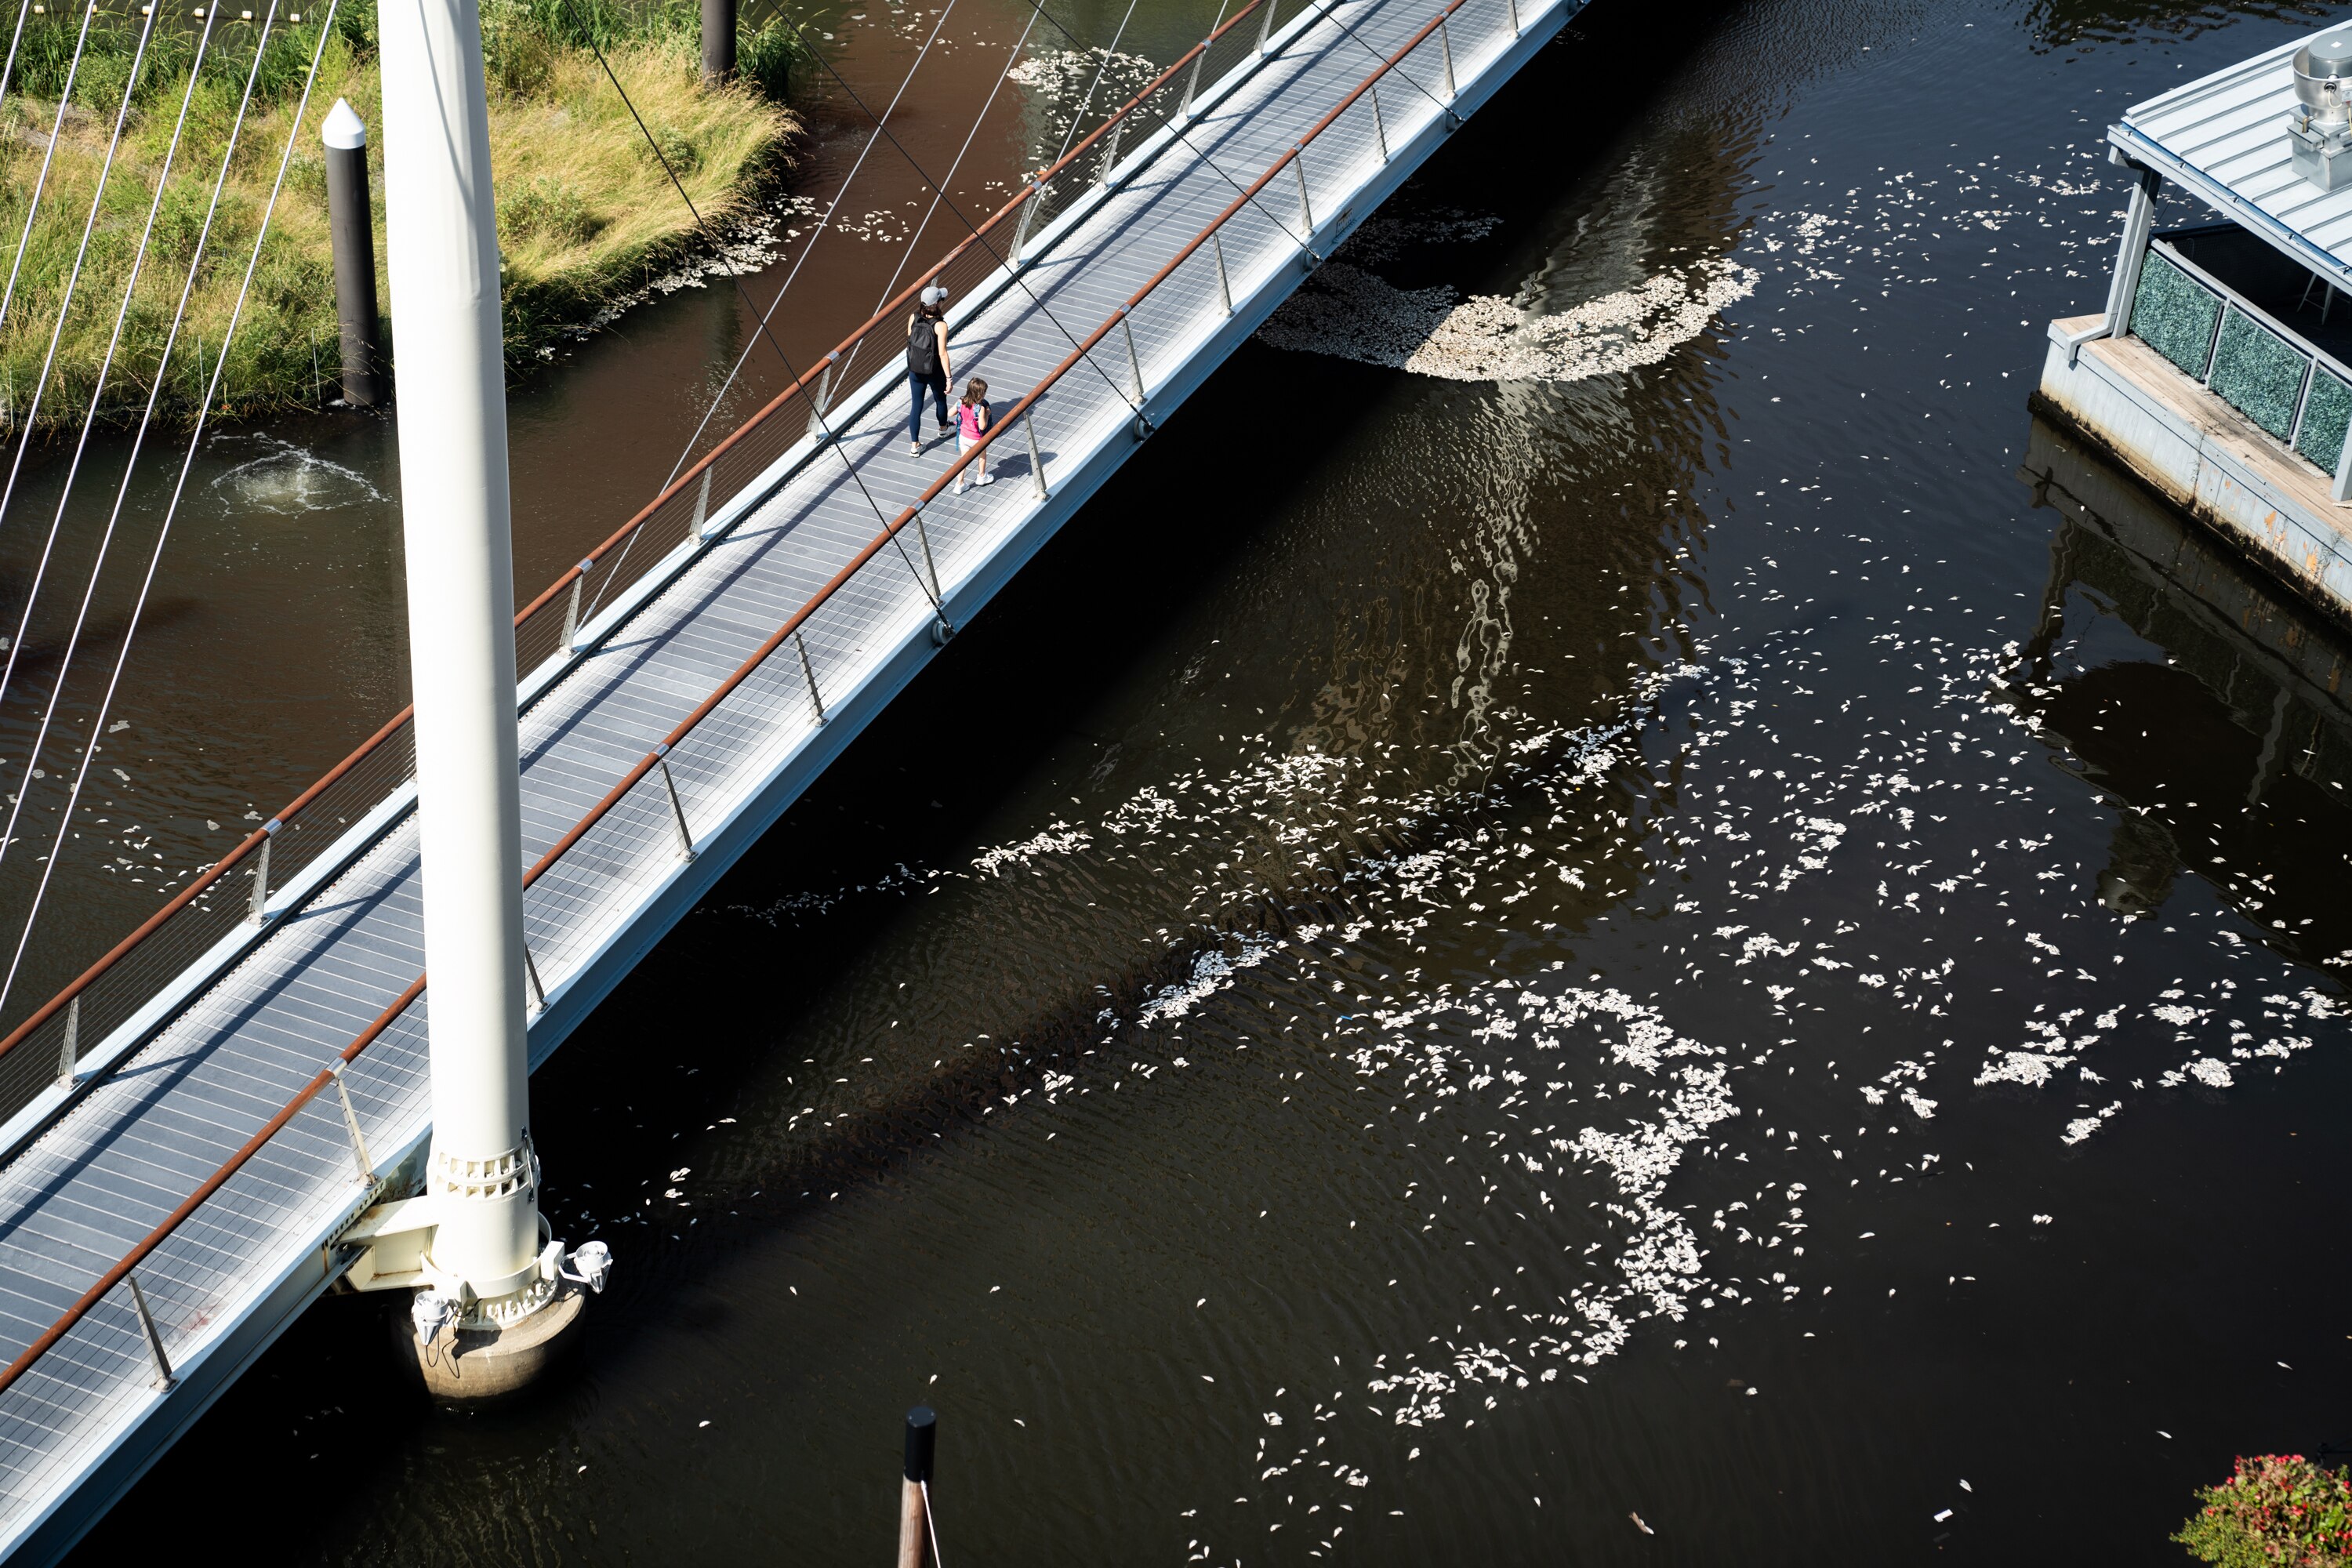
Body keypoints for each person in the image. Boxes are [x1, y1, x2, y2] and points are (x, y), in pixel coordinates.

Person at [906, 284, 951, 455]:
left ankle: (915, 445)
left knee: (916, 405)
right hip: (934, 371)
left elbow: (910, 341)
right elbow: (943, 354)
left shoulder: (913, 317)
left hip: (915, 370)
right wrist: (949, 378)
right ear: (938, 303)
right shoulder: (940, 325)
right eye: (942, 300)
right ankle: (943, 428)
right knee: (940, 400)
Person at [951, 378, 996, 493]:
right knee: (982, 455)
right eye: (984, 393)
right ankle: (981, 476)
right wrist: (986, 414)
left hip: (963, 436)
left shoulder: (961, 401)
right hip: (976, 439)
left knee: (963, 460)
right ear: (980, 394)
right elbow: (982, 426)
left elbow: (950, 413)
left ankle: (959, 484)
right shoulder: (980, 408)